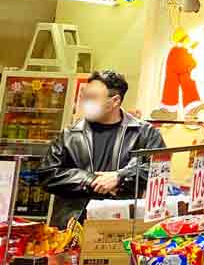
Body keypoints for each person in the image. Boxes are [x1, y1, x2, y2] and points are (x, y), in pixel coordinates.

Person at [38, 70, 165, 227]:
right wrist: (90, 179)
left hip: (121, 225)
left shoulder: (145, 133)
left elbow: (160, 170)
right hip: (72, 225)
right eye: (84, 97)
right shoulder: (70, 134)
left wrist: (120, 177)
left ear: (115, 101)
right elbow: (47, 174)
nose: (85, 102)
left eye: (92, 98)